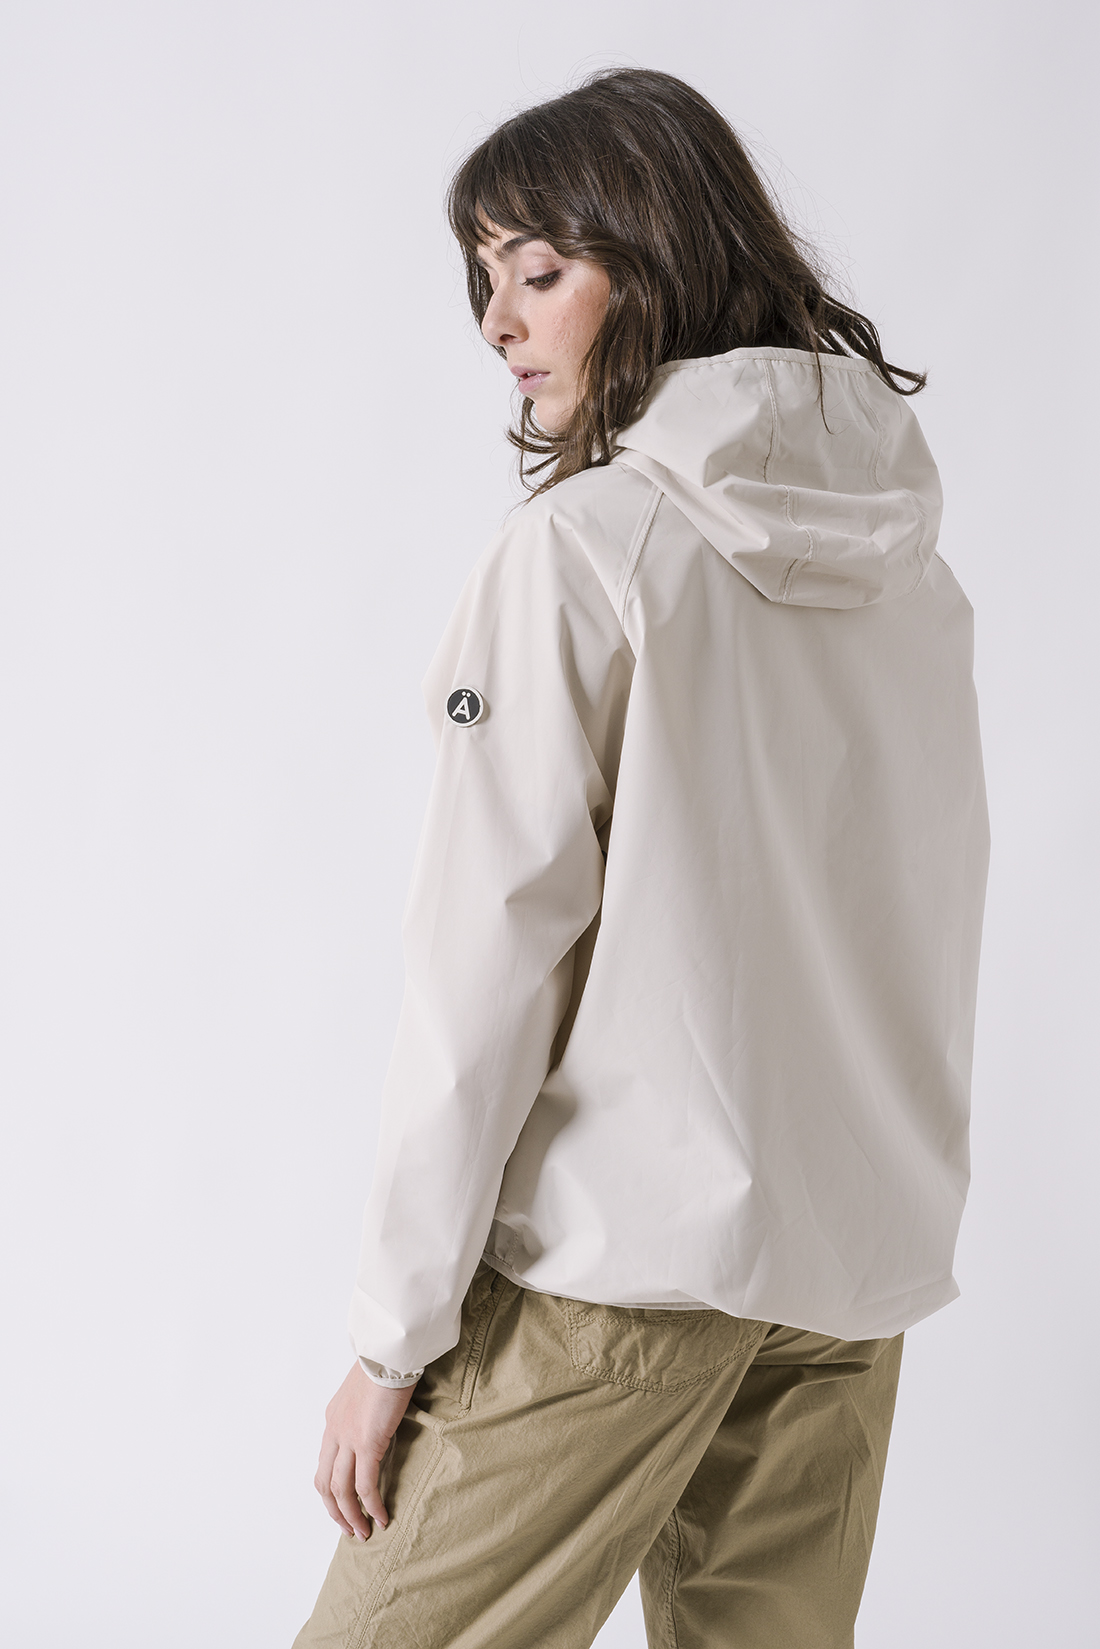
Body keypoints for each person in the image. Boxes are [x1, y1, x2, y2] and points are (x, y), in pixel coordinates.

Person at [293, 67, 989, 1649]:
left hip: (625, 1275)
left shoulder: (582, 553)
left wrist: (393, 1338)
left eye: (539, 269)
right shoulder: (911, 571)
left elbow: (485, 966)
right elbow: (932, 900)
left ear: (655, 257)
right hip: (845, 1271)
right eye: (485, 277)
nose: (497, 320)